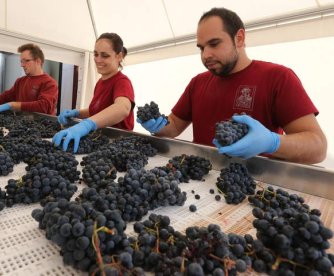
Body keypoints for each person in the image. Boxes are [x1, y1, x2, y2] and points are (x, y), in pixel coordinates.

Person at [137, 7, 327, 165]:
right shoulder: (198, 82)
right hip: (198, 182)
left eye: (214, 44)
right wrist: (158, 125)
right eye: (202, 48)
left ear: (240, 38)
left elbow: (318, 148)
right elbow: (175, 125)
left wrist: (272, 142)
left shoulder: (277, 77)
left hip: (253, 187)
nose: (205, 55)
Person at [52, 33, 135, 153]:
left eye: (105, 56)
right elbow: (97, 110)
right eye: (95, 54)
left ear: (119, 56)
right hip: (100, 142)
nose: (98, 60)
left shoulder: (122, 82)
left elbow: (123, 108)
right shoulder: (100, 82)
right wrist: (76, 113)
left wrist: (87, 124)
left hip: (117, 146)